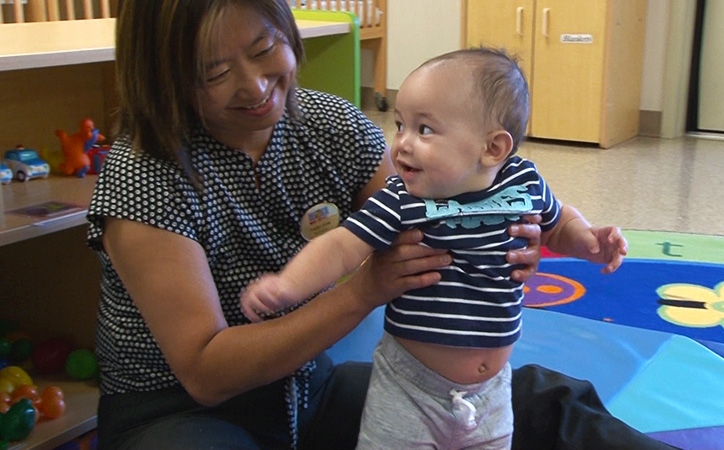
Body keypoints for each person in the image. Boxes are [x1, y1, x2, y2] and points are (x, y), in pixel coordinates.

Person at [87, 1, 674, 449]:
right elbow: (207, 374)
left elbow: (423, 213)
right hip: (182, 415)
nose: (254, 84)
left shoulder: (326, 124)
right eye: (213, 72)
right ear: (165, 75)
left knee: (543, 402)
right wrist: (364, 289)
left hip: (306, 390)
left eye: (265, 47)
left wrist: (512, 239)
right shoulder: (143, 173)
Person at [240, 48, 628, 449]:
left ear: (493, 149)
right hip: (410, 390)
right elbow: (340, 246)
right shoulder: (404, 200)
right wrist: (289, 285)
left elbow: (558, 220)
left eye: (424, 130)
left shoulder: (523, 182)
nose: (402, 144)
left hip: (492, 392)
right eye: (401, 125)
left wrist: (586, 241)